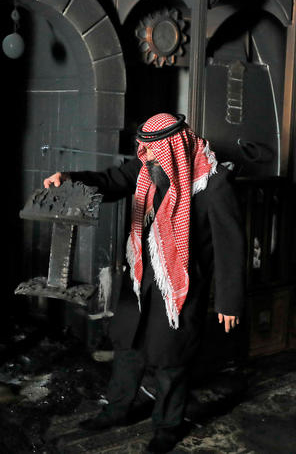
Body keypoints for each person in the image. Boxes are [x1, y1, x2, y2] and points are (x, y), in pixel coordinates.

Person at [43, 113, 245, 453]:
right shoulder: (146, 169)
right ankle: (117, 410)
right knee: (127, 347)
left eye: (152, 149)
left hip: (179, 287)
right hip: (140, 279)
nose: (144, 154)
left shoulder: (213, 182)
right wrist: (70, 180)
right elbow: (110, 181)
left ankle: (167, 426)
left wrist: (229, 301)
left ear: (173, 148)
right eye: (144, 148)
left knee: (170, 360)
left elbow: (230, 245)